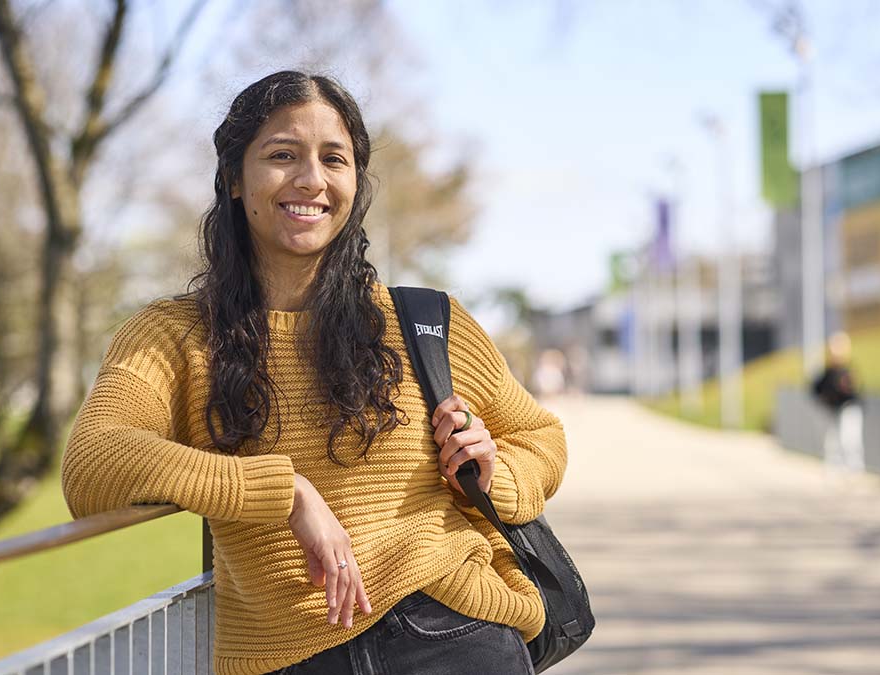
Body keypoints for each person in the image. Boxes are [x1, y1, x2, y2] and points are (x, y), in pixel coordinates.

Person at [60, 71, 568, 675]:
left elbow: (543, 439)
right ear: (232, 179)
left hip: (451, 631)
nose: (312, 180)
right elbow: (93, 464)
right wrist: (288, 493)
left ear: (355, 181)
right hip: (283, 657)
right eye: (282, 155)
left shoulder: (424, 322)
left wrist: (493, 470)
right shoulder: (175, 336)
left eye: (335, 159)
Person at [811, 332, 864, 474]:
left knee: (850, 438)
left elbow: (856, 392)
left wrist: (847, 388)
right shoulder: (827, 372)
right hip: (832, 410)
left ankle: (853, 466)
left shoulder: (849, 370)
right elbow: (816, 389)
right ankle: (834, 466)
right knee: (832, 439)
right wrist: (824, 398)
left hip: (848, 408)